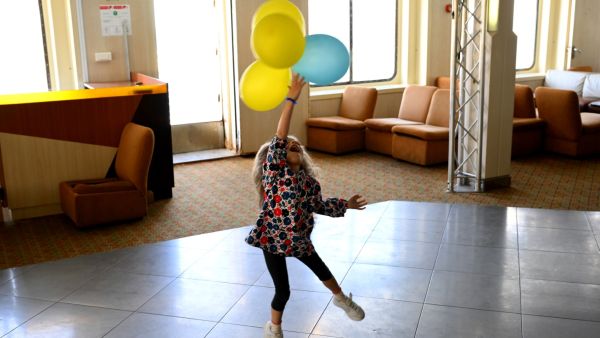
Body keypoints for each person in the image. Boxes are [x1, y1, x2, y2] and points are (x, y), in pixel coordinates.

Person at [245, 73, 368, 338]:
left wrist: (346, 204)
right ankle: (274, 329)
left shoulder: (309, 183)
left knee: (322, 269)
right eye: (289, 146)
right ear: (277, 156)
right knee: (283, 290)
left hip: (298, 239)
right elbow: (280, 134)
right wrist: (292, 97)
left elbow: (319, 205)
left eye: (298, 146)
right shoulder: (274, 174)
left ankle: (341, 299)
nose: (295, 146)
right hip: (272, 238)